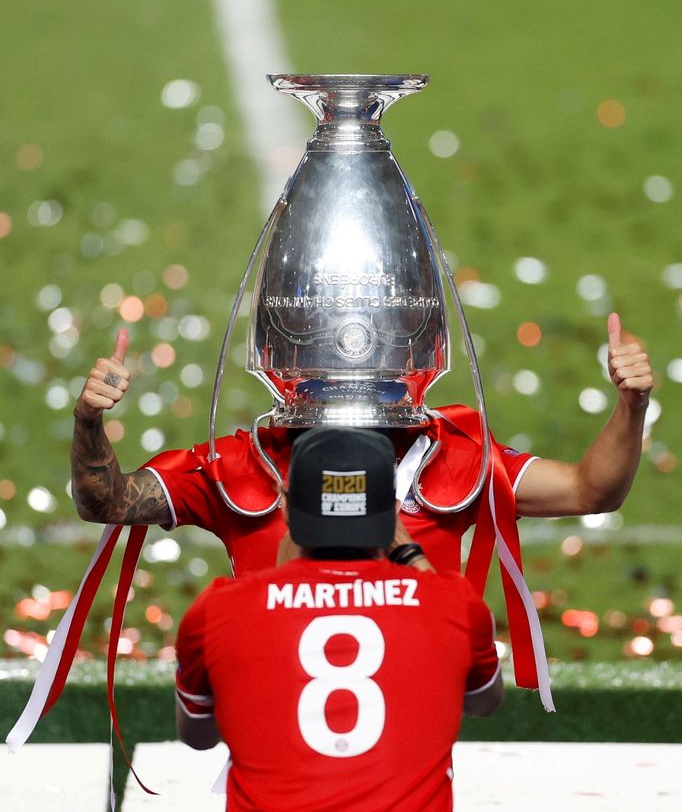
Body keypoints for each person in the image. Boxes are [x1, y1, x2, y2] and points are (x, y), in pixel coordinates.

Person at [71, 312, 653, 578]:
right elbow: (110, 502)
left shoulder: (449, 454)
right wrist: (89, 423)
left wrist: (631, 406)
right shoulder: (240, 464)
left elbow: (590, 489)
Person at [175, 427, 503, 812]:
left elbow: (198, 735)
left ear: (285, 505)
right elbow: (484, 703)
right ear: (392, 514)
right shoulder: (451, 602)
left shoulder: (219, 608)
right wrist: (411, 556)